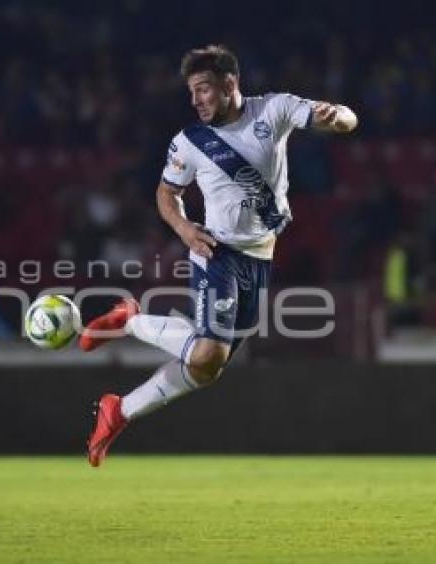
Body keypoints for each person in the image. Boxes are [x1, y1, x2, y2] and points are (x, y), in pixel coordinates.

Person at [81, 45, 357, 467]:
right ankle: (131, 321)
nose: (196, 101)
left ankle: (120, 407)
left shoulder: (274, 111)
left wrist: (337, 116)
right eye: (191, 92)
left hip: (260, 256)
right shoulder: (189, 142)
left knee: (207, 369)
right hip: (216, 251)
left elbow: (348, 118)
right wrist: (184, 228)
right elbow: (165, 193)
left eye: (203, 90)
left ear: (230, 84)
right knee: (208, 353)